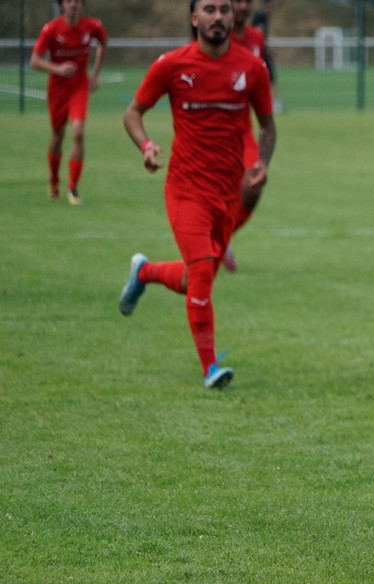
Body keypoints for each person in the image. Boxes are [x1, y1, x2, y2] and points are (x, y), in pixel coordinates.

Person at [119, 0, 276, 389]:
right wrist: (146, 146)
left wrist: (262, 161)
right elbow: (133, 113)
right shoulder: (171, 65)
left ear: (231, 17)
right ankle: (210, 368)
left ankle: (145, 271)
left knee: (194, 281)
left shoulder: (251, 67)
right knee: (203, 270)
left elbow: (267, 125)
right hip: (185, 189)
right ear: (194, 18)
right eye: (209, 9)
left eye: (224, 9)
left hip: (227, 194)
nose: (218, 16)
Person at [30, 0, 107, 205]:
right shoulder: (51, 29)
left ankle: (73, 187)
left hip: (79, 88)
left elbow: (103, 43)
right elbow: (34, 61)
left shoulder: (93, 26)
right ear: (62, 5)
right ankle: (54, 179)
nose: (73, 5)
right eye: (69, 1)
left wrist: (95, 75)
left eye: (77, 1)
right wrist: (57, 68)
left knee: (78, 133)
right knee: (58, 135)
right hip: (57, 90)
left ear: (83, 4)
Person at [219, 0, 269, 273]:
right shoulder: (215, 35)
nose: (241, 6)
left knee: (253, 186)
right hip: (214, 130)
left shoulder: (256, 38)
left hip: (243, 129)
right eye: (236, 1)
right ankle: (213, 242)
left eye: (247, 1)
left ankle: (222, 238)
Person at [251, 0, 283, 114]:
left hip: (260, 50)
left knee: (267, 78)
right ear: (268, 4)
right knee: (270, 78)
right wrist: (263, 50)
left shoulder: (262, 15)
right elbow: (258, 34)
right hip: (259, 52)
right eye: (272, 4)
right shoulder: (261, 16)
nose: (273, 6)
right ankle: (276, 104)